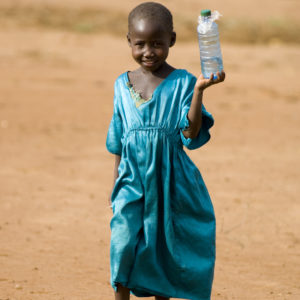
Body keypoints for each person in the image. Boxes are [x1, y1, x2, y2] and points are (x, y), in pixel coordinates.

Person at [106, 2, 225, 300]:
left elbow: (190, 133)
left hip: (172, 181)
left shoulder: (184, 82)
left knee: (164, 247)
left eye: (157, 44)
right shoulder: (122, 85)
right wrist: (115, 186)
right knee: (122, 243)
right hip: (132, 180)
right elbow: (118, 140)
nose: (149, 51)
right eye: (140, 44)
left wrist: (198, 91)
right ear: (129, 42)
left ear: (171, 40)